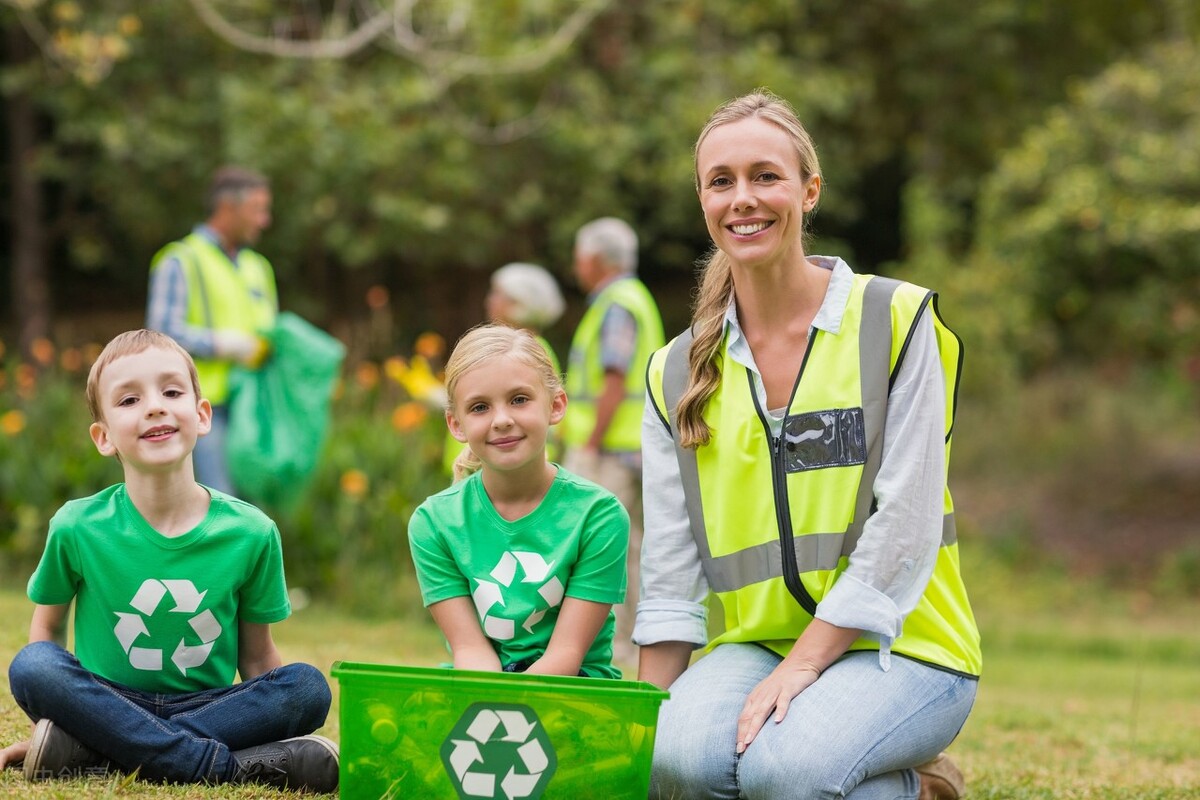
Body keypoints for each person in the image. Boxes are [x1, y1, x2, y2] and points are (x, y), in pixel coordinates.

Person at [635, 90, 981, 800]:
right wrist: (642, 733)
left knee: (783, 769)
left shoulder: (896, 319)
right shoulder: (673, 372)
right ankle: (906, 790)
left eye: (766, 176)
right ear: (702, 199)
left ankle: (905, 777)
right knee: (679, 764)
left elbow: (906, 527)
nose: (744, 199)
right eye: (721, 181)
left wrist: (802, 667)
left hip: (904, 646)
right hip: (757, 646)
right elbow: (671, 575)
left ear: (808, 189)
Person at [0, 330, 337, 792]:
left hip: (214, 706)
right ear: (103, 438)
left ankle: (101, 752)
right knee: (33, 665)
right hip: (109, 701)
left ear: (201, 416)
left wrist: (278, 710)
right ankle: (219, 767)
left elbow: (257, 656)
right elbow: (46, 635)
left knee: (306, 687)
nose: (155, 406)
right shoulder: (77, 526)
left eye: (172, 391)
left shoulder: (251, 532)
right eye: (129, 400)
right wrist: (57, 710)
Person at [409, 324, 629, 679]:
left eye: (519, 399)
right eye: (480, 407)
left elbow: (567, 655)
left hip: (575, 691)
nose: (502, 420)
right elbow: (470, 651)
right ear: (456, 424)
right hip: (481, 684)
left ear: (556, 406)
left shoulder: (599, 517)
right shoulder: (433, 523)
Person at [561, 217, 664, 664]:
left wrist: (591, 441)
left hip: (609, 449)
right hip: (631, 447)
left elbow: (614, 379)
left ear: (595, 260)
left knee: (602, 546)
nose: (575, 265)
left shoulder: (617, 304)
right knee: (630, 545)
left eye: (579, 256)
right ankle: (633, 638)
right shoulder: (633, 298)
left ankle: (614, 643)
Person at [146, 166, 278, 496]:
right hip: (203, 409)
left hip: (252, 408)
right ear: (228, 208)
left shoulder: (258, 267)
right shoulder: (180, 260)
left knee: (252, 511)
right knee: (219, 506)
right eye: (257, 210)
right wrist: (219, 344)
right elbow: (159, 334)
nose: (264, 220)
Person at [442, 262, 566, 477]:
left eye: (498, 294)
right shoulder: (493, 352)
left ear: (519, 302)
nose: (489, 300)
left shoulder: (530, 352)